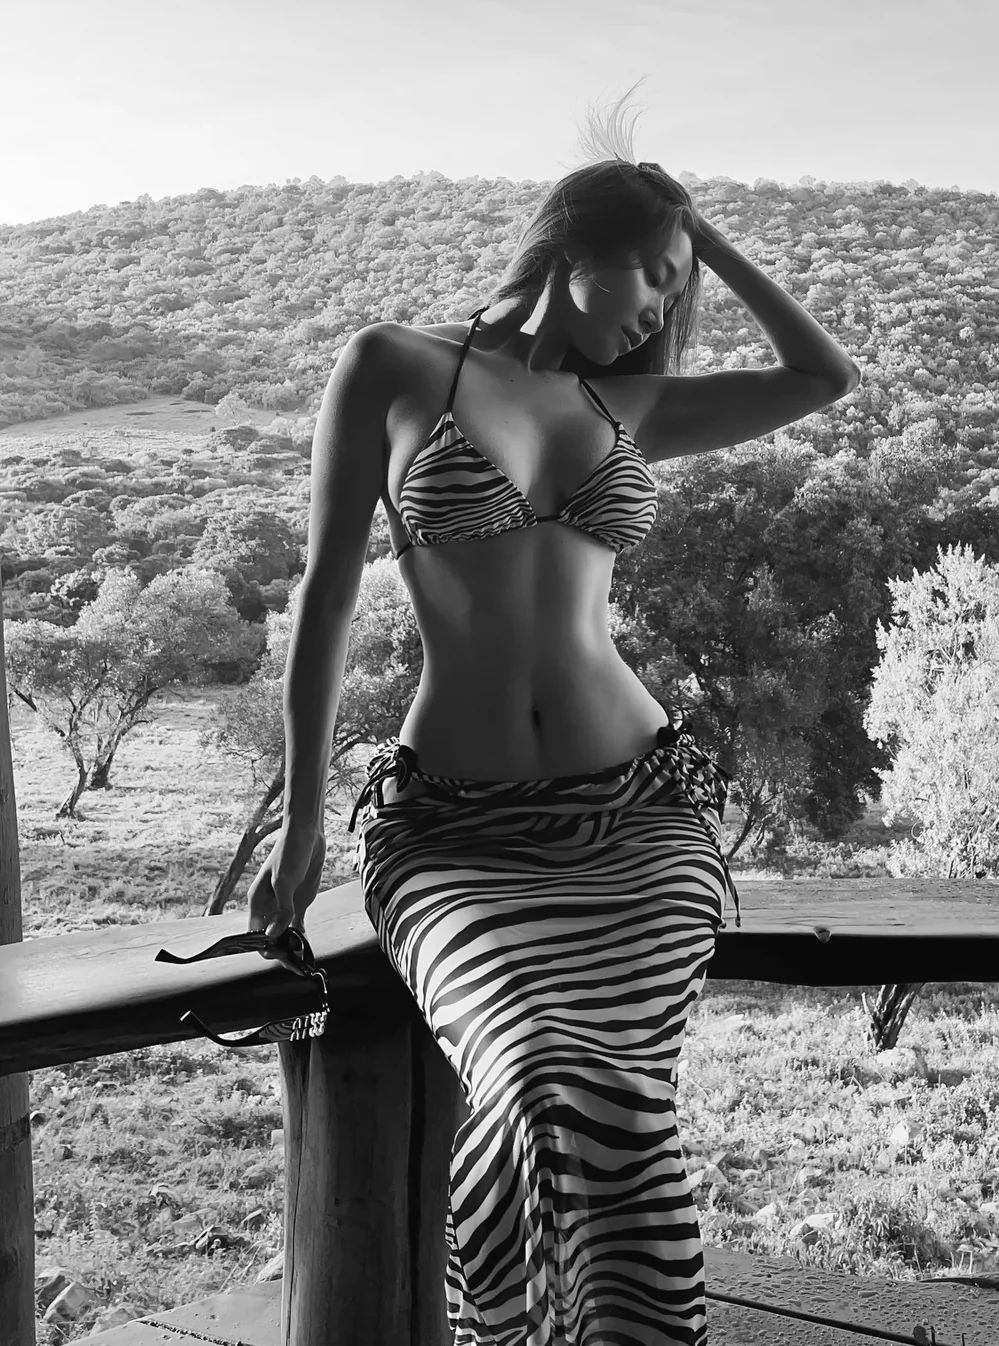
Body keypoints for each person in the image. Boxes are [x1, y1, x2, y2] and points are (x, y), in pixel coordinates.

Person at [247, 99, 859, 1346]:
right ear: (573, 243)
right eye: (649, 274)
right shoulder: (392, 363)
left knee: (619, 1099)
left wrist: (696, 235)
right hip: (453, 830)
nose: (659, 307)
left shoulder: (634, 404)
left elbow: (821, 376)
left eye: (676, 288)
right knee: (527, 1067)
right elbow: (323, 595)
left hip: (637, 816)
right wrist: (303, 820)